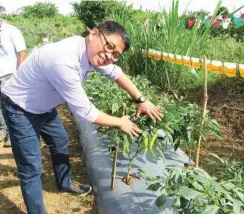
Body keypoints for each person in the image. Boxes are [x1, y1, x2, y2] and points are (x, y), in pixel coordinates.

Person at [1, 20, 162, 214]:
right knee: (31, 168)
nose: (109, 55)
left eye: (115, 54)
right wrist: (121, 122)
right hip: (20, 108)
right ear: (94, 33)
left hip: (44, 106)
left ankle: (64, 183)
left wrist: (141, 99)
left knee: (60, 140)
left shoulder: (91, 51)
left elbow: (115, 73)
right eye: (109, 46)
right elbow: (86, 112)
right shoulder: (63, 60)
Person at [0, 15, 26, 147]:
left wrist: (19, 74)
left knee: (11, 106)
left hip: (9, 74)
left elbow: (22, 53)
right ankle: (2, 130)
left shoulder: (11, 31)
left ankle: (12, 134)